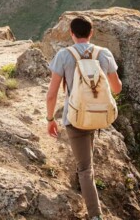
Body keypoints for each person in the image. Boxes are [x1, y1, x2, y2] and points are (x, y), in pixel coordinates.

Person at [45, 16, 122, 220]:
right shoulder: (103, 54)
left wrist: (49, 119)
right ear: (91, 32)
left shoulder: (64, 55)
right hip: (99, 116)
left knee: (85, 168)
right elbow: (117, 88)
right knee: (85, 161)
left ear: (71, 33)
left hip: (75, 117)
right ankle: (81, 186)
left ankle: (95, 215)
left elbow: (51, 94)